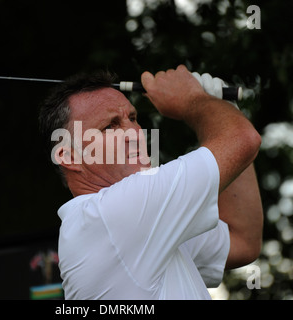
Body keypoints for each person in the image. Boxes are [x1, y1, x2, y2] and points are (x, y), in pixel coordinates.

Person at [38, 65, 263, 300]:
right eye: (111, 125)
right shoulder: (110, 215)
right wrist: (196, 102)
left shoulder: (144, 221)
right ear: (70, 156)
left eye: (132, 118)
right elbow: (243, 139)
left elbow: (242, 241)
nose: (135, 132)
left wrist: (222, 110)